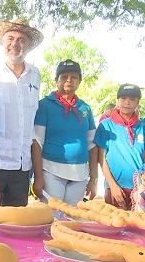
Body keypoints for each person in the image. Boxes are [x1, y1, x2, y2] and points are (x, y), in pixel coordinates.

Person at [0, 18, 44, 206]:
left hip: (22, 165)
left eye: (21, 40)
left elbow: (33, 124)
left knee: (16, 224)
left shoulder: (35, 75)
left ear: (27, 46)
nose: (15, 44)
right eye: (10, 38)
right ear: (3, 42)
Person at [32, 59, 97, 207]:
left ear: (79, 81)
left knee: (74, 218)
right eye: (64, 77)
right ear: (56, 80)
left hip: (80, 174)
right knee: (52, 217)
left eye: (74, 77)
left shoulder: (85, 108)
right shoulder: (44, 105)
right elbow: (37, 141)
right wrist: (38, 177)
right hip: (51, 171)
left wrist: (93, 178)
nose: (69, 80)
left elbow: (92, 144)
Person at [95, 84, 145, 209]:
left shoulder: (142, 127)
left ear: (137, 103)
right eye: (123, 98)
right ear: (117, 100)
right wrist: (112, 185)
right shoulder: (106, 125)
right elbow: (101, 158)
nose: (127, 102)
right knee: (116, 224)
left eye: (132, 99)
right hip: (116, 186)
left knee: (138, 226)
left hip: (139, 188)